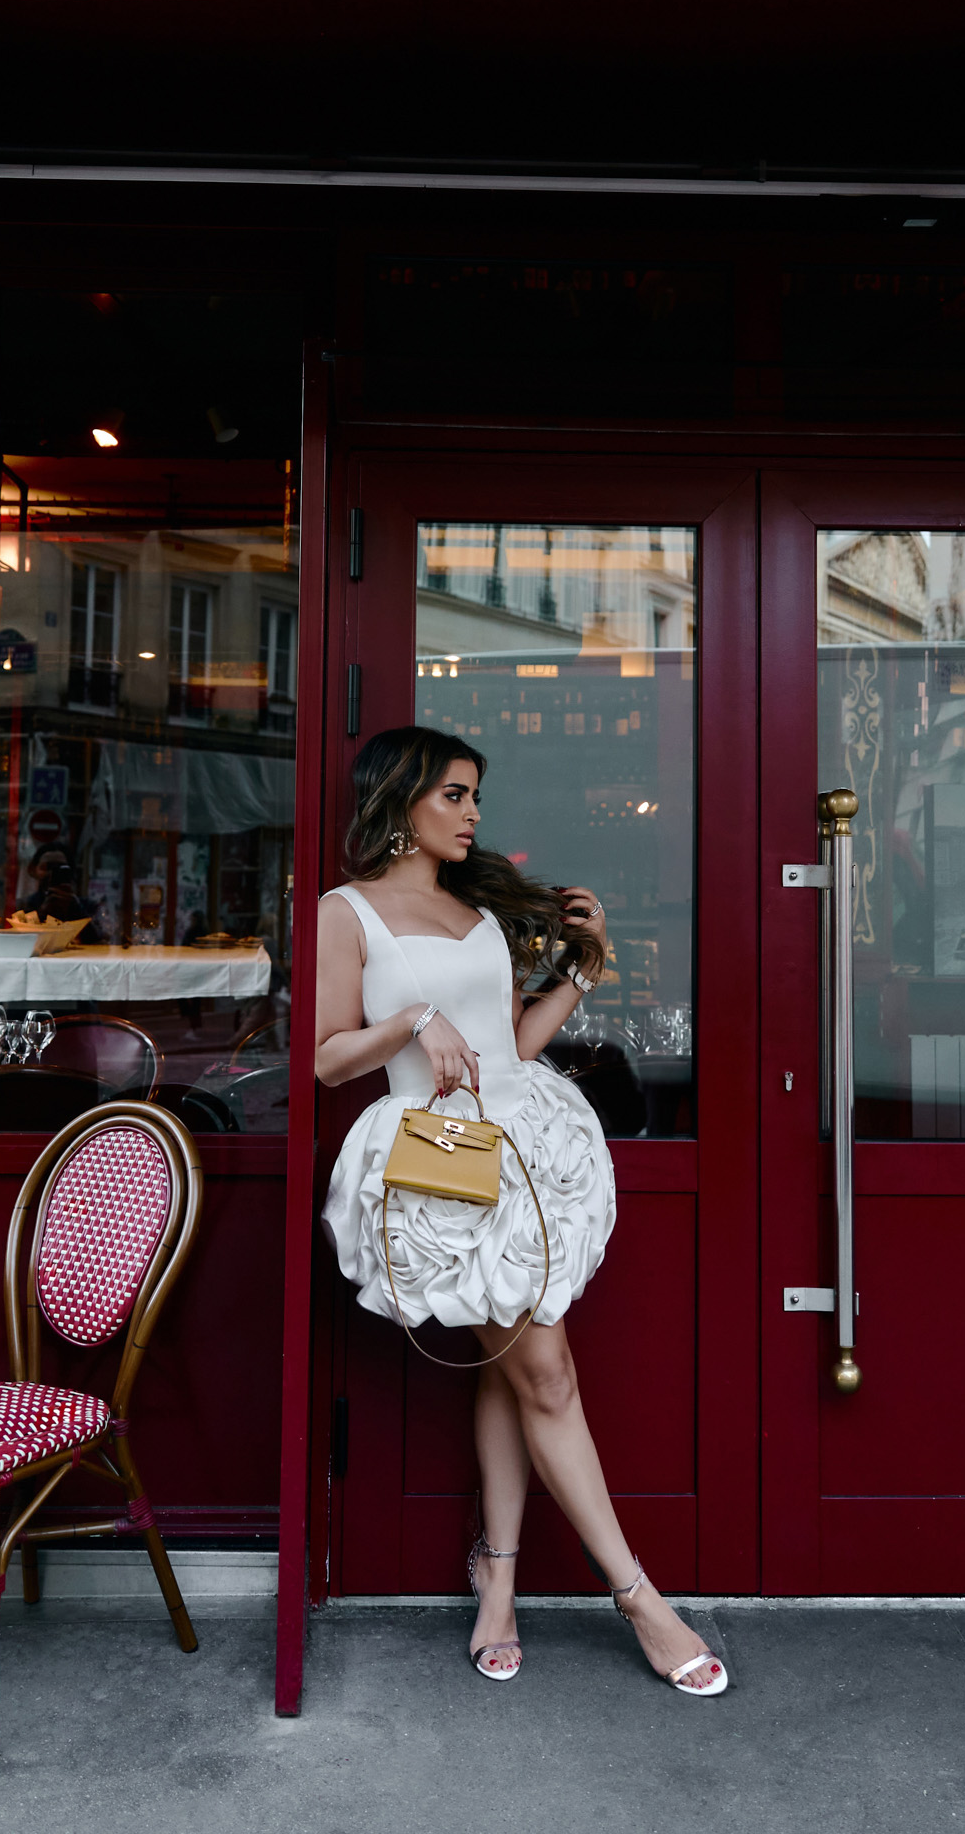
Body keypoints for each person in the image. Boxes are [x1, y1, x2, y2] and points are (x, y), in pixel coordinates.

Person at [316, 726, 726, 1697]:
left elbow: (515, 1044)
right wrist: (412, 1020)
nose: (472, 813)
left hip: (528, 1145)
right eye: (455, 794)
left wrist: (583, 968)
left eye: (476, 798)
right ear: (404, 799)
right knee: (543, 1367)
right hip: (441, 1157)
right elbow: (329, 1055)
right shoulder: (348, 911)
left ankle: (495, 1576)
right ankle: (640, 1598)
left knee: (514, 1358)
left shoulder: (476, 907)